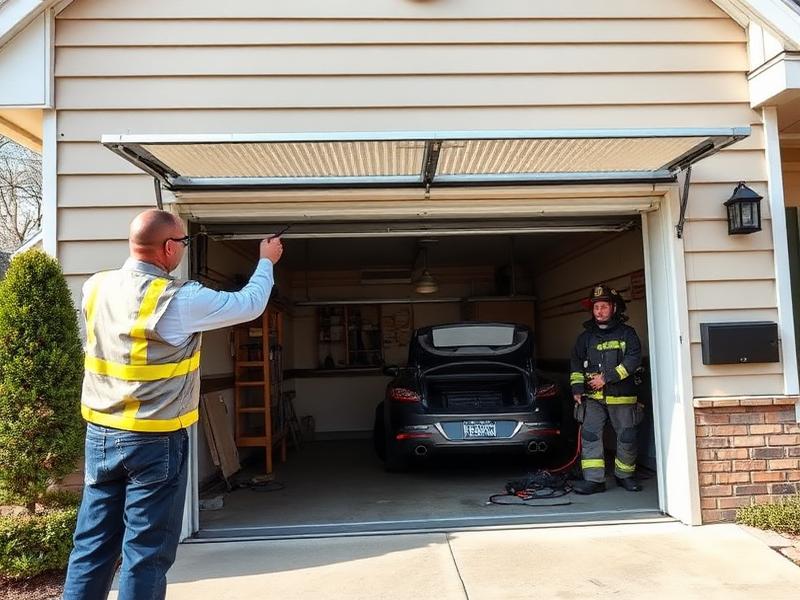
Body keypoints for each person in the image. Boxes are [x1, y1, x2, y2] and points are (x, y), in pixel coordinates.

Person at [62, 209, 284, 600]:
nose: (183, 249)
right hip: (154, 440)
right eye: (182, 242)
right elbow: (249, 304)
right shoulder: (178, 300)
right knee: (145, 553)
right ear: (167, 248)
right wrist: (266, 261)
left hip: (100, 435)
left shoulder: (96, 287)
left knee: (92, 546)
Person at [569, 284, 643, 495]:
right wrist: (576, 388)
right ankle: (594, 480)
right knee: (591, 436)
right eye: (596, 307)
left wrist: (607, 378)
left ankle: (625, 476)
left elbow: (632, 360)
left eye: (603, 306)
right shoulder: (585, 338)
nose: (599, 311)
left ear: (614, 308)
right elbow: (575, 364)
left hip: (622, 396)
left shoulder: (627, 334)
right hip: (592, 399)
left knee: (627, 436)